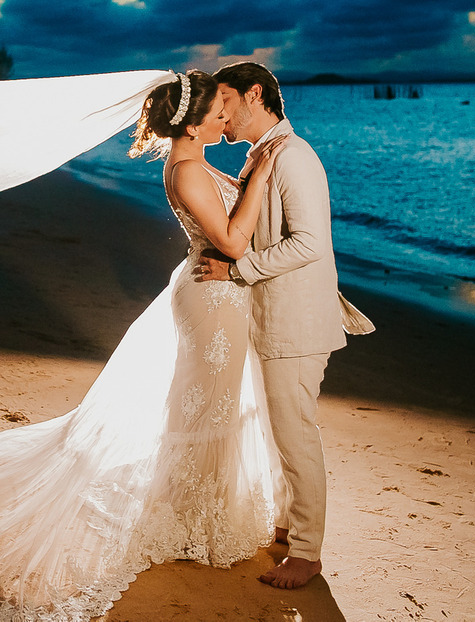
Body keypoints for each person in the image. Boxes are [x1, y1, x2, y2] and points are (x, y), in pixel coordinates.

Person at [0, 70, 288, 622]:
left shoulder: (196, 165)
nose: (226, 120)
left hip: (219, 296)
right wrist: (260, 176)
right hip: (211, 300)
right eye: (217, 113)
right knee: (207, 407)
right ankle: (189, 515)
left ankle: (198, 507)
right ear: (191, 121)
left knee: (210, 406)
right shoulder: (187, 171)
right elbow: (230, 241)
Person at [197, 61, 347, 590]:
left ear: (254, 94)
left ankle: (307, 554)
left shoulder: (294, 156)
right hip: (269, 317)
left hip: (296, 321)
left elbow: (310, 243)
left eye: (225, 100)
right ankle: (288, 528)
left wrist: (239, 269)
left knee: (295, 434)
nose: (220, 112)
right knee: (281, 433)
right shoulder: (264, 156)